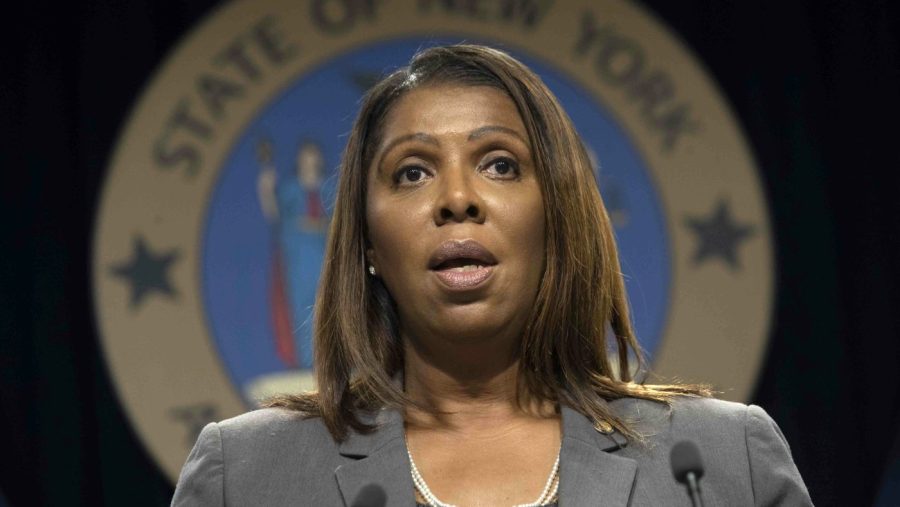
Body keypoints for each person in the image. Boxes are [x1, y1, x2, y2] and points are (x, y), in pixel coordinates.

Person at [172, 44, 811, 506]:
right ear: (367, 243)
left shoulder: (721, 462)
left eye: (500, 164)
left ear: (558, 217)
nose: (457, 199)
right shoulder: (247, 475)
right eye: (412, 172)